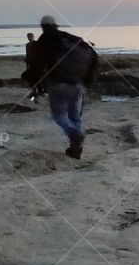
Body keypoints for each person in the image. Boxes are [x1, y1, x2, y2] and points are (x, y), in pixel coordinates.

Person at [30, 15, 97, 159]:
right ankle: (75, 148)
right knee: (76, 116)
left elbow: (37, 65)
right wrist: (87, 79)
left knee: (59, 115)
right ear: (56, 25)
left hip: (58, 84)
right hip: (78, 84)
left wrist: (37, 85)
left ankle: (74, 133)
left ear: (42, 26)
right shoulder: (69, 38)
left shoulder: (43, 41)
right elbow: (91, 52)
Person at [22, 32, 47, 102]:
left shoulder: (37, 44)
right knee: (31, 78)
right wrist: (27, 65)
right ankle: (35, 92)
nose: (29, 38)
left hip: (38, 64)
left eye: (30, 37)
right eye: (28, 37)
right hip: (31, 64)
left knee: (38, 78)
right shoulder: (27, 45)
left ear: (33, 37)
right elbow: (27, 55)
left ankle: (41, 91)